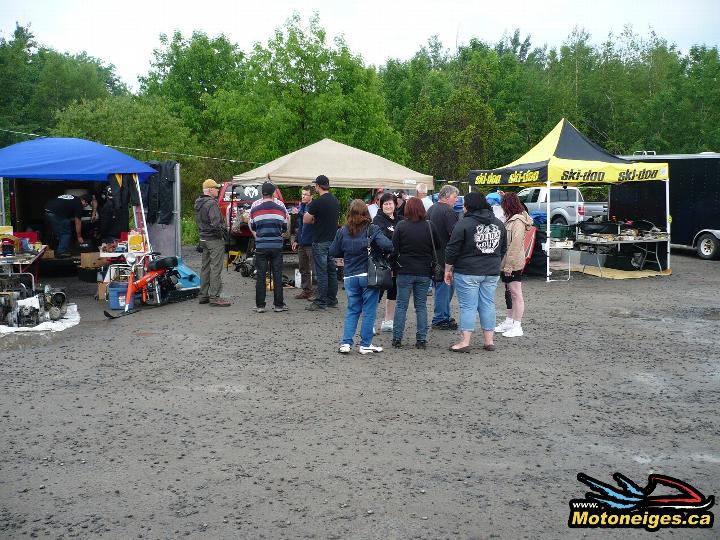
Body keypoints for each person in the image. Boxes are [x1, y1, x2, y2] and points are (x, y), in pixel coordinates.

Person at [444, 192, 507, 352]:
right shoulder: (499, 223)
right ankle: (489, 341)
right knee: (488, 304)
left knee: (468, 306)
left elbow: (452, 249)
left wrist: (448, 269)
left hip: (468, 271)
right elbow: (503, 247)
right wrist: (494, 261)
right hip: (491, 271)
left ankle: (465, 342)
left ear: (469, 206)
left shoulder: (464, 224)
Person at [329, 199, 393, 354]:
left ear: (349, 213)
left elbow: (332, 251)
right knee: (369, 310)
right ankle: (365, 344)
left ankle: (346, 343)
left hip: (350, 276)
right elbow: (388, 245)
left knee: (353, 309)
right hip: (368, 274)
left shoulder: (342, 231)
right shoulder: (372, 229)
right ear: (366, 212)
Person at [390, 197, 440, 349]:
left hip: (404, 270)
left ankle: (397, 338)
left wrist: (393, 265)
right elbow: (437, 245)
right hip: (424, 271)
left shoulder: (401, 226)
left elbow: (394, 249)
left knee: (401, 306)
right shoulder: (429, 226)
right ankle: (421, 340)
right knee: (421, 306)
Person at [495, 192, 534, 338]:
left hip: (512, 262)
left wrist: (509, 266)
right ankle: (509, 321)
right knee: (510, 292)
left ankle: (517, 325)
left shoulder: (517, 221)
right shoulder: (516, 218)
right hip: (508, 261)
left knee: (516, 293)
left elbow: (515, 245)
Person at [249, 181, 289, 313]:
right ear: (273, 193)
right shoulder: (281, 208)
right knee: (277, 274)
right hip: (277, 245)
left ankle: (260, 305)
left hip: (261, 246)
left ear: (262, 193)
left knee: (260, 275)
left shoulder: (255, 209)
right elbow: (284, 227)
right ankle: (279, 305)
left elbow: (253, 226)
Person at [304, 175, 340, 311]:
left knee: (321, 272)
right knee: (331, 271)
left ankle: (320, 301)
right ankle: (332, 299)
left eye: (315, 185)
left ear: (318, 186)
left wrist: (315, 220)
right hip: (332, 241)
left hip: (320, 241)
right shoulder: (335, 201)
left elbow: (306, 220)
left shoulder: (317, 202)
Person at [426, 184, 460, 330]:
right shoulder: (449, 212)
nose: (457, 200)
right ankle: (440, 318)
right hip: (445, 255)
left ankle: (444, 315)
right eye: (454, 197)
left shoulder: (431, 209)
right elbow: (455, 235)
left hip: (432, 255)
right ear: (446, 196)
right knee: (444, 287)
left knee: (441, 287)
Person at [194, 179, 231, 307]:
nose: (218, 190)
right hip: (214, 240)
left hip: (203, 238)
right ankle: (214, 297)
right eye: (216, 188)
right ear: (210, 190)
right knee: (216, 268)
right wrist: (223, 234)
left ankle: (203, 295)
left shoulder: (199, 202)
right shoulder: (211, 204)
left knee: (205, 267)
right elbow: (216, 224)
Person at [372, 192, 402, 332]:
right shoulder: (377, 221)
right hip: (381, 262)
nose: (388, 206)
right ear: (381, 205)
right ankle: (370, 321)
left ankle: (388, 320)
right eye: (385, 203)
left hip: (396, 262)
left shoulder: (400, 220)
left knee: (393, 291)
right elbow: (381, 240)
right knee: (377, 292)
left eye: (391, 203)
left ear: (395, 204)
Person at [292, 185, 315, 300]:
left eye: (306, 194)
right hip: (302, 241)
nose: (303, 196)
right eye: (302, 194)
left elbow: (310, 220)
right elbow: (300, 225)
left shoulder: (314, 207)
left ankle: (317, 293)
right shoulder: (302, 206)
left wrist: (299, 213)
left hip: (311, 241)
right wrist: (296, 240)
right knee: (303, 267)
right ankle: (307, 290)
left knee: (315, 268)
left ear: (312, 195)